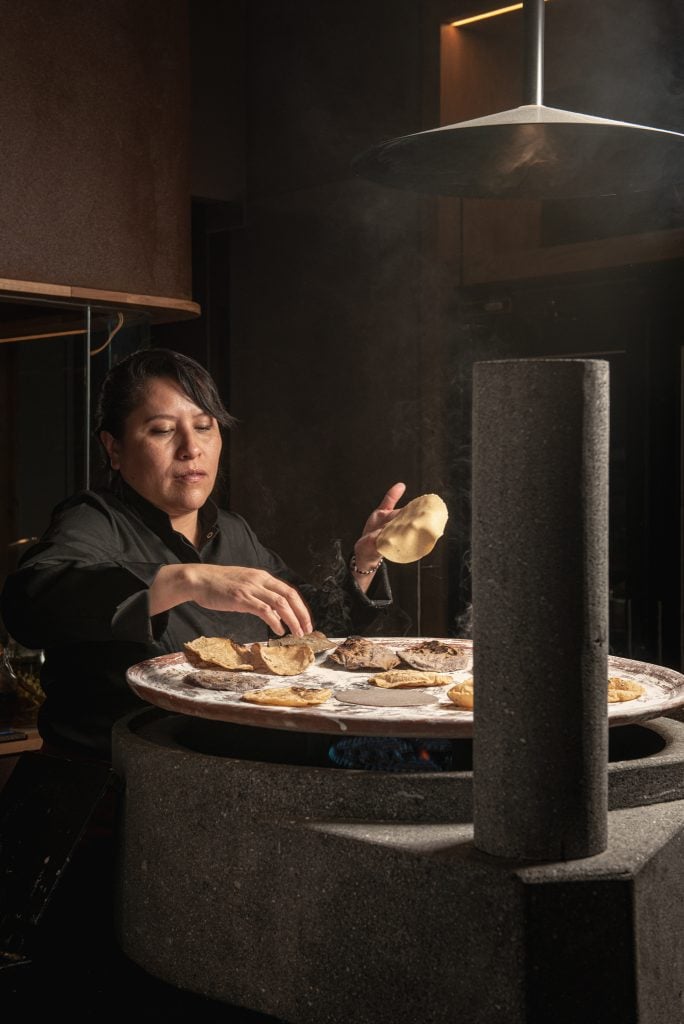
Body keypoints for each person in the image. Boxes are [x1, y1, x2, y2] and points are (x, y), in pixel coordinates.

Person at [1, 348, 405, 762]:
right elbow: (29, 605)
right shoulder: (92, 519)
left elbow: (309, 630)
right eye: (162, 430)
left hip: (227, 769)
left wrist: (365, 561)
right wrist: (182, 580)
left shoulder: (232, 531)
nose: (191, 448)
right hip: (112, 787)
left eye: (204, 427)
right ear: (114, 448)